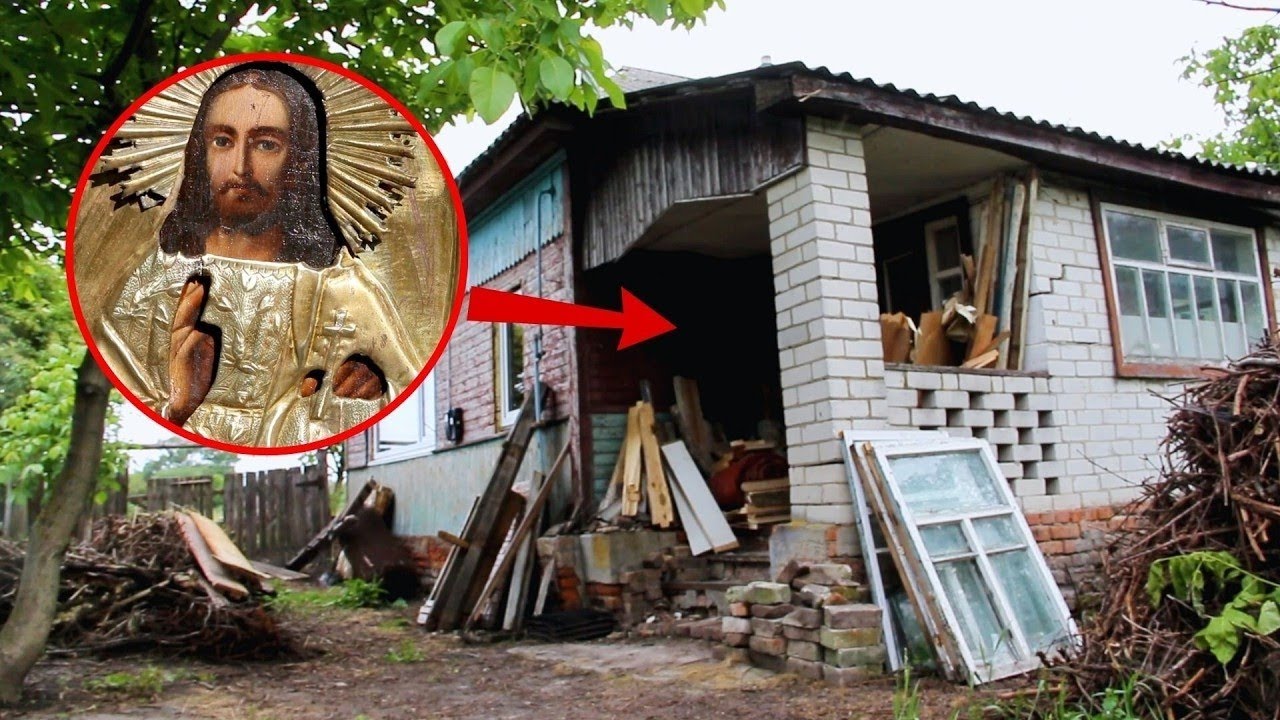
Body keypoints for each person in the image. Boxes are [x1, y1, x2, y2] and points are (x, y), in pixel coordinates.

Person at [97, 63, 425, 447]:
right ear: (199, 152)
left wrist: (362, 390)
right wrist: (180, 406)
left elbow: (398, 387)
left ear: (300, 161)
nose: (241, 167)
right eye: (222, 140)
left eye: (266, 144)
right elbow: (145, 405)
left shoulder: (341, 291)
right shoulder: (150, 283)